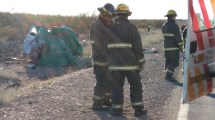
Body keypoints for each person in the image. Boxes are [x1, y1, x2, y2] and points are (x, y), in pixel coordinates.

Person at [106, 3, 146, 116]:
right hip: (131, 65)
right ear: (127, 15)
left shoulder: (109, 29)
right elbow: (138, 46)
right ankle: (138, 110)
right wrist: (141, 62)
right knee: (135, 86)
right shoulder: (132, 28)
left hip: (114, 66)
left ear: (116, 14)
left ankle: (116, 110)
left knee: (116, 88)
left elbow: (105, 48)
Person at [89, 3, 115, 110]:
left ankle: (105, 100)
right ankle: (97, 104)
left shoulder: (107, 25)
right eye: (109, 16)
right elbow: (100, 44)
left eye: (111, 16)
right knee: (102, 81)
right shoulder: (96, 26)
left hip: (107, 59)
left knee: (109, 81)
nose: (110, 18)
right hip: (100, 59)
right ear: (103, 14)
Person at [162, 10, 183, 80]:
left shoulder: (164, 25)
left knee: (168, 60)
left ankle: (167, 73)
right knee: (175, 62)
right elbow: (178, 39)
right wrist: (181, 48)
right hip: (173, 48)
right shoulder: (174, 26)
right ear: (172, 17)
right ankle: (168, 75)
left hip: (166, 47)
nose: (175, 18)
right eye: (175, 16)